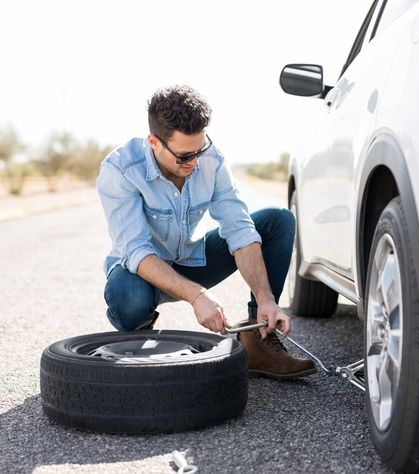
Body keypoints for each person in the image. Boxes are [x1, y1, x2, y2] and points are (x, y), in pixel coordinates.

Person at [96, 84, 315, 379]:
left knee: (278, 220)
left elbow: (239, 229)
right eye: (185, 156)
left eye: (200, 150)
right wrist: (197, 296)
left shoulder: (211, 160)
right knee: (128, 297)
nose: (195, 162)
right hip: (141, 275)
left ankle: (258, 341)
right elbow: (136, 251)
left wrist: (266, 298)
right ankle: (138, 341)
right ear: (154, 142)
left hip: (192, 259)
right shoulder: (120, 169)